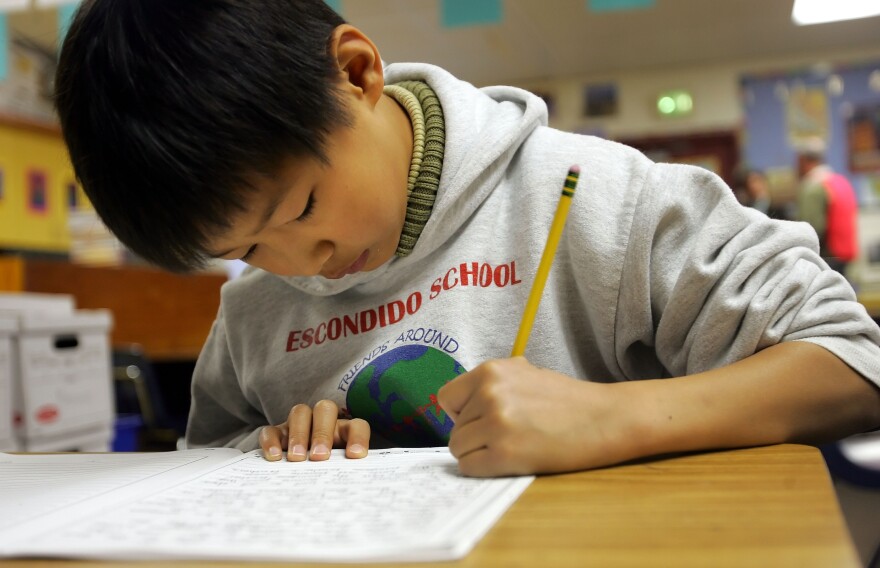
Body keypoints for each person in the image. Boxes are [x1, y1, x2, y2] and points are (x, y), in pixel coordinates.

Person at [54, 0, 880, 477]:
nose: (304, 268)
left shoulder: (597, 196)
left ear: (355, 73)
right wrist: (276, 448)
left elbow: (853, 363)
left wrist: (616, 418)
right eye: (247, 249)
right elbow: (212, 460)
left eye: (302, 207)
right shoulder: (252, 312)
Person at [794, 137, 859, 275]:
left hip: (827, 256)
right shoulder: (840, 180)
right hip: (845, 253)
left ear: (803, 160)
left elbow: (812, 228)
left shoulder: (813, 186)